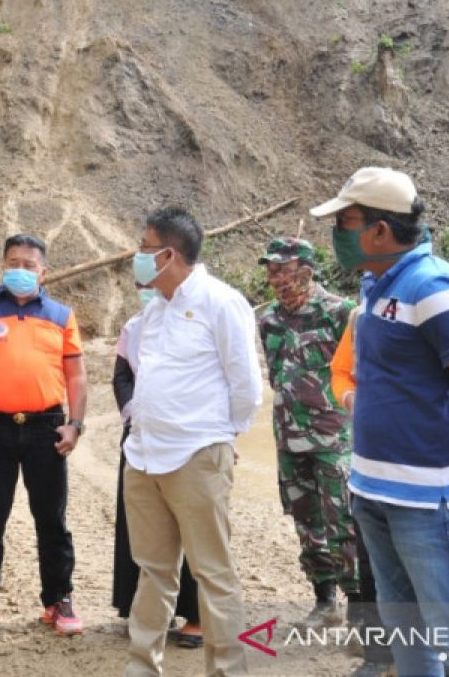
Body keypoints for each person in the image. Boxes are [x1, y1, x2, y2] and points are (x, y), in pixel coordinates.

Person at [311, 167, 449, 677]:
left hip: (430, 500)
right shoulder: (375, 286)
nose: (338, 235)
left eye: (345, 223)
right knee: (407, 636)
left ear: (380, 231)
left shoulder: (433, 288)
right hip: (376, 491)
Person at [122, 206, 264, 677]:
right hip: (143, 458)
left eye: (144, 249)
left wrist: (219, 438)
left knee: (213, 574)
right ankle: (143, 666)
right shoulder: (154, 311)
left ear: (168, 254)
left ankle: (227, 671)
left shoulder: (220, 302)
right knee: (154, 570)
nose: (137, 258)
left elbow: (246, 386)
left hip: (196, 457)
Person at [0, 234, 88, 640]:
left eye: (29, 264)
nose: (20, 270)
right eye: (13, 262)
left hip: (46, 428)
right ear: (2, 266)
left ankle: (58, 599)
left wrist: (75, 424)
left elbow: (76, 374)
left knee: (51, 520)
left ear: (43, 271)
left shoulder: (61, 315)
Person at [255, 236, 358, 627]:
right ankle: (325, 601)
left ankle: (360, 607)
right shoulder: (269, 321)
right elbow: (275, 377)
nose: (275, 277)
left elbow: (356, 374)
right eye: (271, 270)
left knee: (344, 521)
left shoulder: (341, 313)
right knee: (306, 521)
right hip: (289, 438)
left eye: (283, 269)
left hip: (334, 439)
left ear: (307, 271)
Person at [111, 286, 201, 648]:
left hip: (188, 435)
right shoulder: (133, 327)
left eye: (153, 286)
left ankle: (197, 614)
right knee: (141, 526)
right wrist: (137, 414)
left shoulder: (196, 322)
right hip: (140, 437)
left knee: (193, 524)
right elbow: (121, 376)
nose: (146, 293)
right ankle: (143, 609)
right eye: (141, 287)